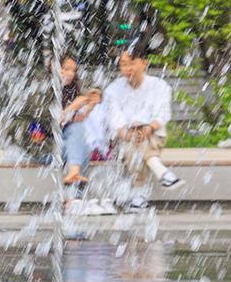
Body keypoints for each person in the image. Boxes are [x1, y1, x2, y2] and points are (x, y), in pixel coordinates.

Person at [102, 43, 182, 211]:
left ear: (143, 63)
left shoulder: (159, 86)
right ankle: (160, 171)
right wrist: (131, 135)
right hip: (123, 138)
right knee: (131, 143)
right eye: (123, 64)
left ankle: (139, 193)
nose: (127, 68)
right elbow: (116, 122)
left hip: (152, 134)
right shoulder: (113, 90)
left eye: (131, 63)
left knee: (144, 137)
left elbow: (162, 115)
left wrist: (147, 129)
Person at [57, 56, 103, 186]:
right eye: (66, 69)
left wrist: (90, 106)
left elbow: (74, 120)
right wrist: (72, 107)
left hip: (64, 146)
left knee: (78, 132)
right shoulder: (44, 90)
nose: (71, 74)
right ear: (54, 68)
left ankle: (74, 176)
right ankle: (75, 197)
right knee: (81, 148)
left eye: (74, 70)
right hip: (44, 147)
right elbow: (51, 124)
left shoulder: (70, 89)